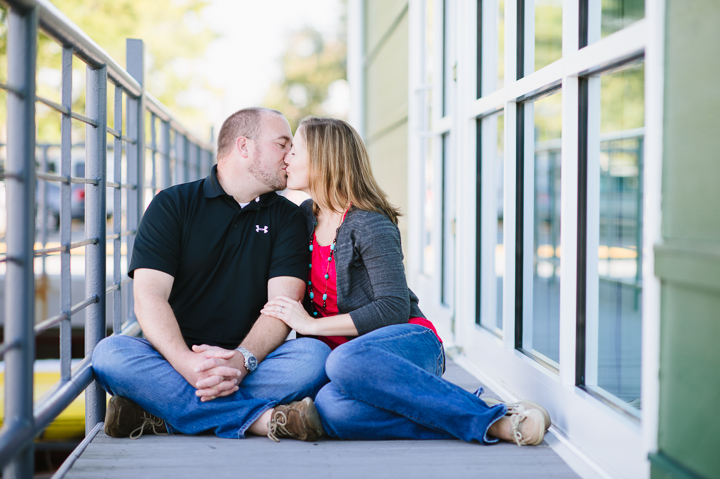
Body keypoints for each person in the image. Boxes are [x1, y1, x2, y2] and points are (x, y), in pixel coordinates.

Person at [261, 116, 551, 446]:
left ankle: (493, 422)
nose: (286, 158)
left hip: (404, 345)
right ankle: (479, 413)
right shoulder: (303, 218)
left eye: (294, 151)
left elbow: (393, 308)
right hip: (348, 366)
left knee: (344, 361)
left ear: (323, 159)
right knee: (332, 409)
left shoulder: (369, 222)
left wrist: (310, 326)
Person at [92, 108, 330, 442]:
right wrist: (186, 363)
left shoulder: (289, 218)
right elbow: (149, 298)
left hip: (252, 364)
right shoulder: (172, 204)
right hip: (173, 360)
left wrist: (239, 362)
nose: (290, 155)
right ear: (244, 147)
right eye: (282, 144)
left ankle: (162, 416)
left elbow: (282, 304)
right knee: (110, 355)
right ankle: (265, 420)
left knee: (315, 358)